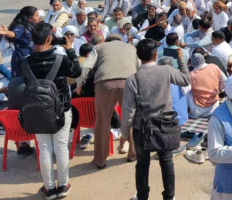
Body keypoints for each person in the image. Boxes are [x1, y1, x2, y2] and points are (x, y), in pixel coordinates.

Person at [120, 38, 189, 200]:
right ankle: (169, 196)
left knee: (142, 164)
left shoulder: (132, 79)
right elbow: (185, 80)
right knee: (167, 163)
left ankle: (142, 196)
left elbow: (128, 110)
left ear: (139, 55)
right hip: (165, 126)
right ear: (155, 54)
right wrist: (180, 59)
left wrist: (124, 135)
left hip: (141, 128)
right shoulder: (166, 70)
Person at [23, 21, 82, 199]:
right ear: (50, 38)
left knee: (44, 148)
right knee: (61, 147)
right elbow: (77, 72)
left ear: (32, 39)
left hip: (36, 111)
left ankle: (49, 189)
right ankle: (63, 185)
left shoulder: (23, 62)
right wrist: (70, 48)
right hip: (61, 109)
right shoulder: (60, 59)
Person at [79, 35, 139, 168]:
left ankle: (100, 160)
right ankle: (133, 154)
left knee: (102, 122)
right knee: (132, 119)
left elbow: (85, 68)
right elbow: (138, 67)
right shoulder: (131, 47)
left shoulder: (99, 47)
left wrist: (79, 84)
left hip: (104, 84)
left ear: (107, 41)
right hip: (129, 83)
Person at [0, 6, 40, 78]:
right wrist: (7, 32)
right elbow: (14, 34)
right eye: (36, 16)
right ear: (30, 18)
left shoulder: (32, 25)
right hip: (22, 58)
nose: (38, 17)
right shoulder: (21, 26)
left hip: (31, 57)